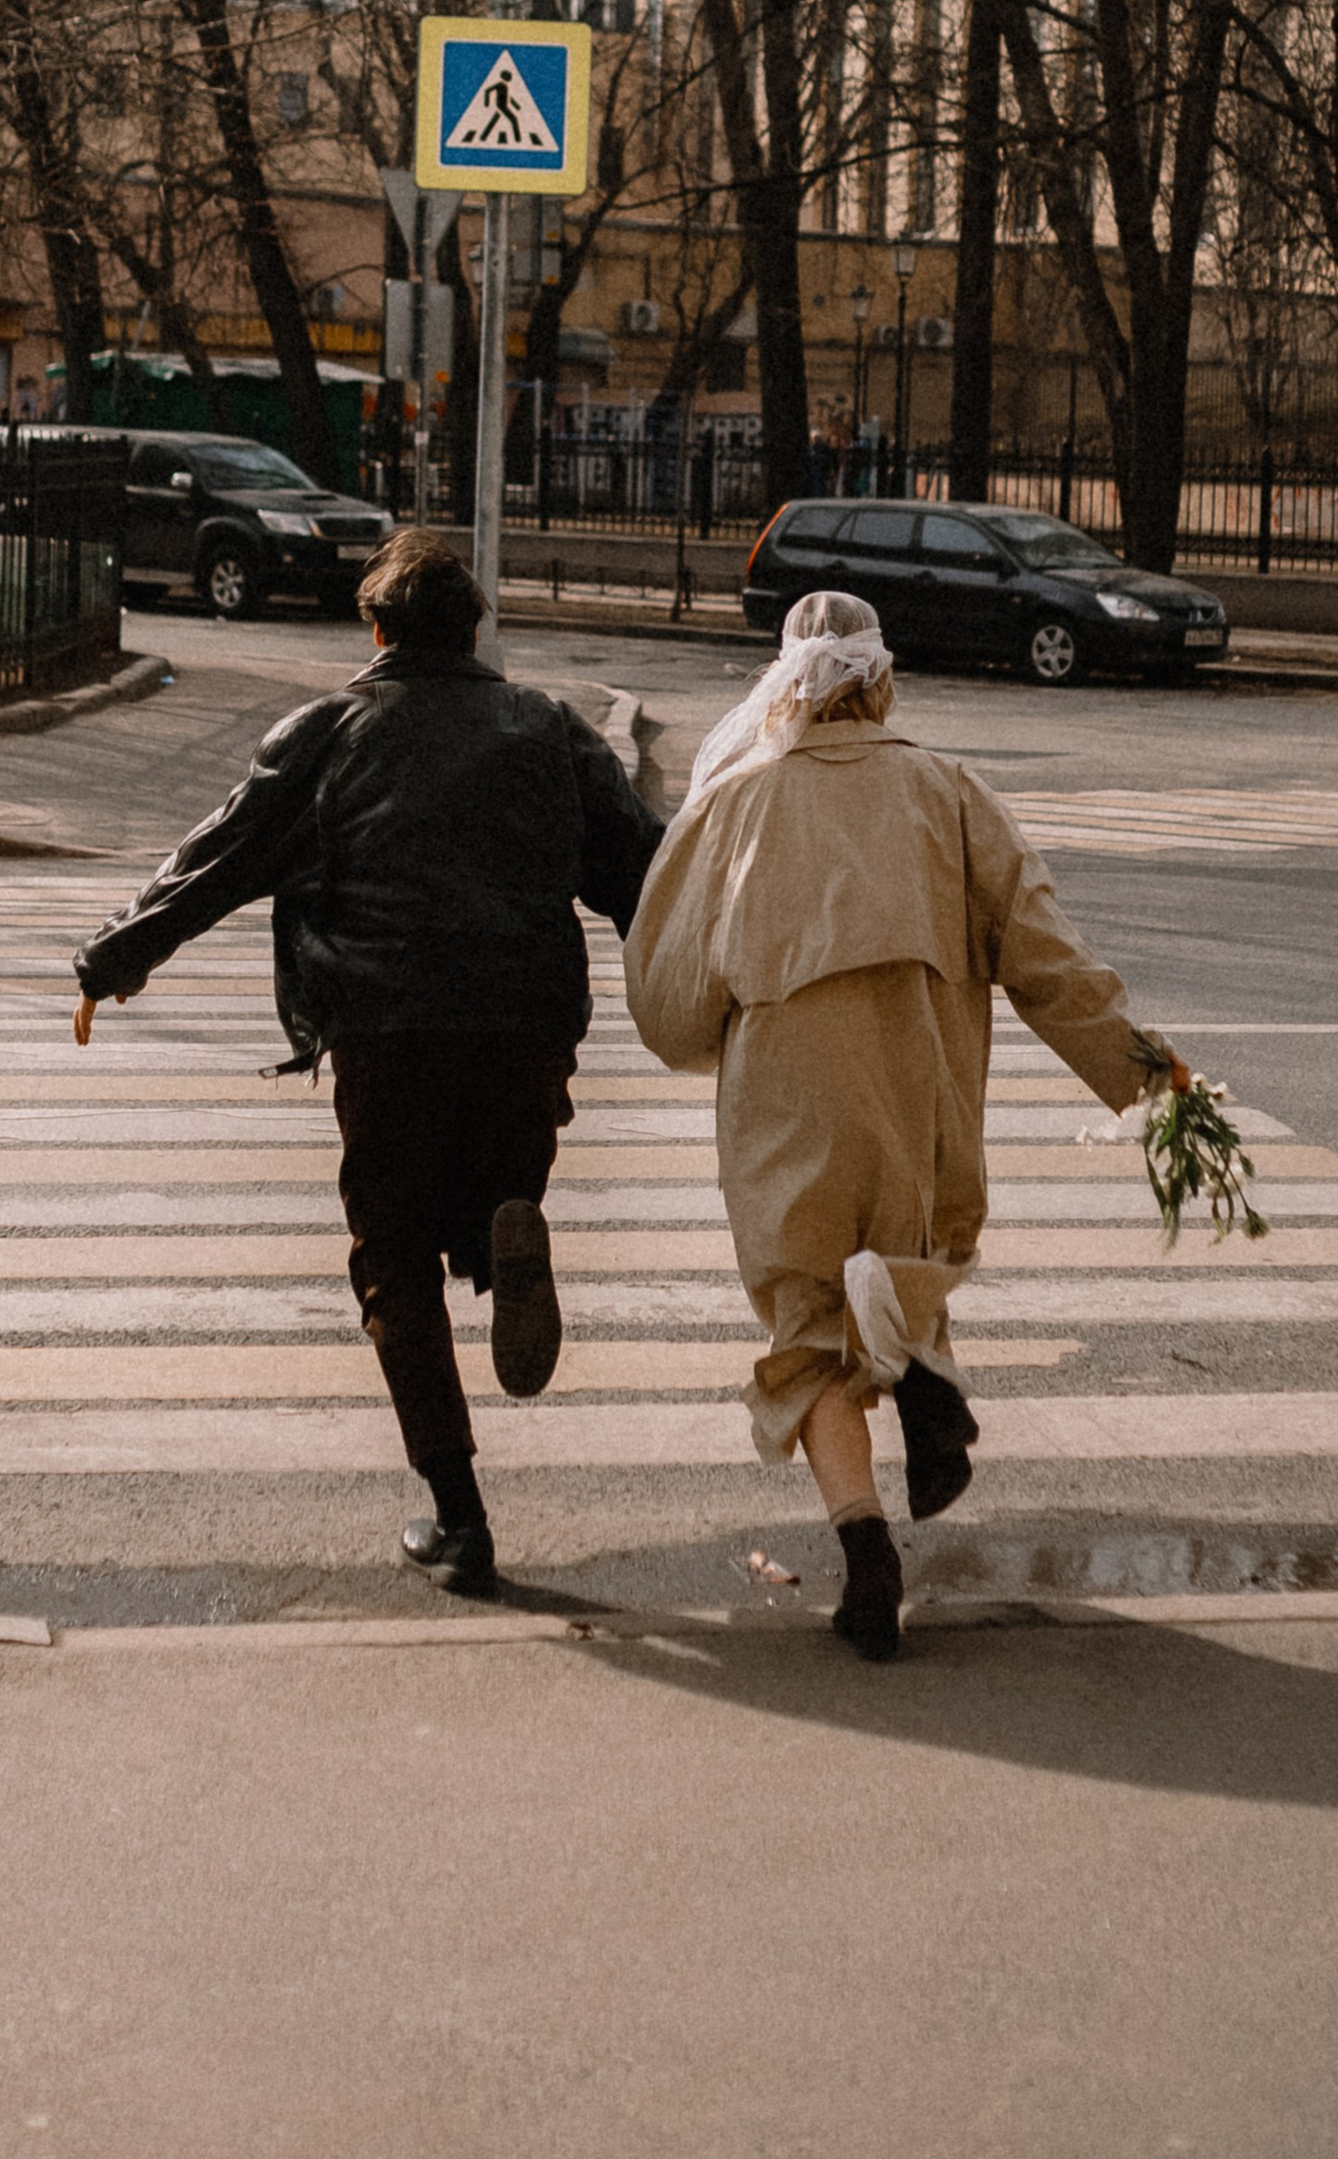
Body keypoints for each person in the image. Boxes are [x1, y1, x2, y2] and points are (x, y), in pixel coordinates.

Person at [71, 528, 663, 1595]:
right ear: (473, 633)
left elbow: (217, 858)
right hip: (527, 1032)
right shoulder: (551, 729)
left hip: (388, 1035)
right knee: (489, 1174)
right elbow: (644, 873)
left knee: (392, 1259)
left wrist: (114, 958)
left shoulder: (327, 732)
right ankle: (505, 1225)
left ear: (378, 632)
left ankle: (461, 1519)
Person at [623, 590, 1188, 1663]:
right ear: (881, 680)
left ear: (785, 682)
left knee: (808, 1325)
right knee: (903, 1259)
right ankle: (924, 1376)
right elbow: (1049, 961)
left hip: (785, 1098)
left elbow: (670, 1002)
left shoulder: (735, 804)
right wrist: (1154, 1083)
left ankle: (866, 1551)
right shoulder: (949, 791)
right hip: (917, 1081)